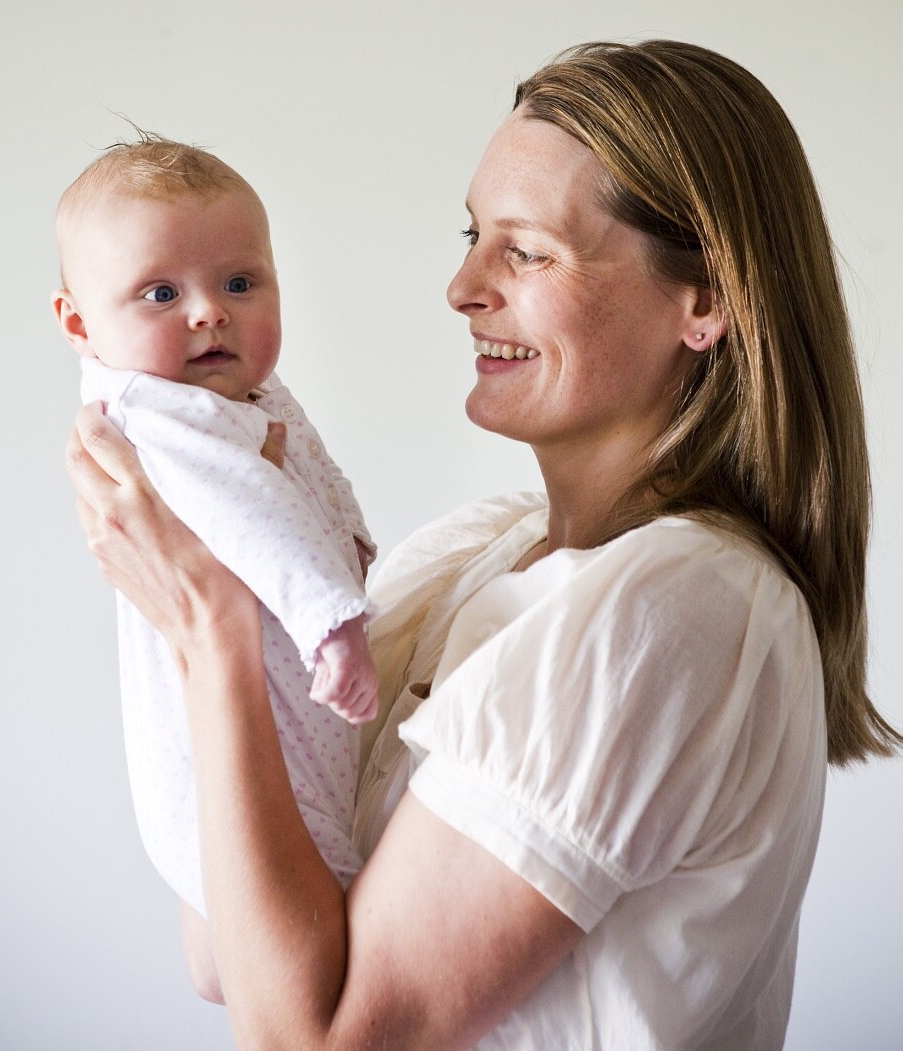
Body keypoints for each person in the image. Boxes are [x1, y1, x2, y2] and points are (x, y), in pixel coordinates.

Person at [66, 41, 901, 1048]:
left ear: (705, 299)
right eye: (472, 235)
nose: (462, 285)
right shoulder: (467, 557)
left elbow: (308, 1038)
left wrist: (209, 629)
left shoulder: (674, 603)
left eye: (527, 249)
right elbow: (227, 958)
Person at [52, 138, 378, 917]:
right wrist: (332, 618)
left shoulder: (240, 394)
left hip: (274, 700)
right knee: (315, 874)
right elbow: (253, 508)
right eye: (160, 293)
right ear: (79, 322)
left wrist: (355, 538)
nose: (209, 310)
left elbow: (313, 475)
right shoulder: (156, 413)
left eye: (240, 281)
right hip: (229, 747)